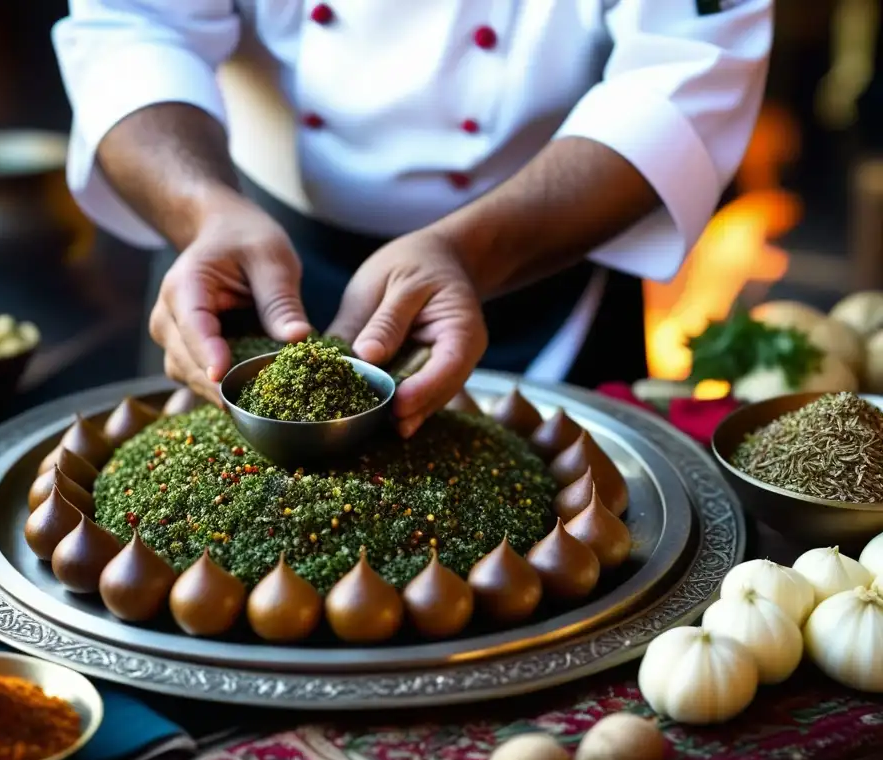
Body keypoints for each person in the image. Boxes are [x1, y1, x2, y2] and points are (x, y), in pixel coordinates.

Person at [52, 0, 773, 437]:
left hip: (544, 252)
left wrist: (472, 252)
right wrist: (200, 209)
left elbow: (688, 68)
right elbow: (133, 22)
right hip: (243, 260)